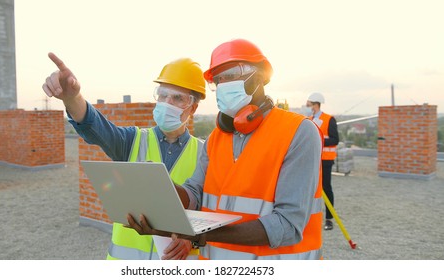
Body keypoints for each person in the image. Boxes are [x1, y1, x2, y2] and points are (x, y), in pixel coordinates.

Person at [127, 39, 324, 260]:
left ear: (258, 78)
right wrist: (162, 186)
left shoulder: (298, 132)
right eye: (217, 80)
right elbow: (195, 196)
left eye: (229, 76)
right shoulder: (216, 138)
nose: (222, 85)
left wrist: (200, 234)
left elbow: (287, 226)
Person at [42, 53, 207, 260]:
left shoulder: (205, 154)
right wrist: (72, 97)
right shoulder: (132, 140)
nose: (167, 102)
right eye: (163, 95)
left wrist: (191, 239)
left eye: (177, 98)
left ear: (193, 107)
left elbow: (211, 213)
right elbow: (95, 126)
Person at [306, 93, 340, 230]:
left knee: (326, 188)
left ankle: (329, 219)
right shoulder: (309, 120)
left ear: (316, 104)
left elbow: (335, 139)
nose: (308, 107)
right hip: (312, 159)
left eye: (310, 104)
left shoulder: (329, 119)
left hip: (325, 160)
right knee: (309, 190)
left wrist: (319, 140)